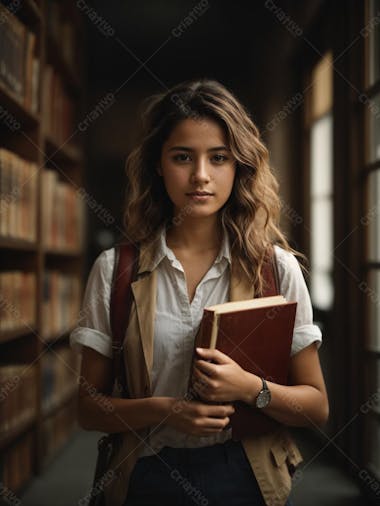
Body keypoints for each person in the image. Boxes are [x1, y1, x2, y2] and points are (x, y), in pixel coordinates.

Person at [70, 78, 329, 506]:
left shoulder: (277, 270)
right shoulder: (115, 270)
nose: (201, 176)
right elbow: (88, 408)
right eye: (182, 157)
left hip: (247, 475)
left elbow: (316, 407)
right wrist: (167, 410)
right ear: (158, 164)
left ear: (238, 166)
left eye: (219, 158)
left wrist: (249, 387)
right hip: (145, 473)